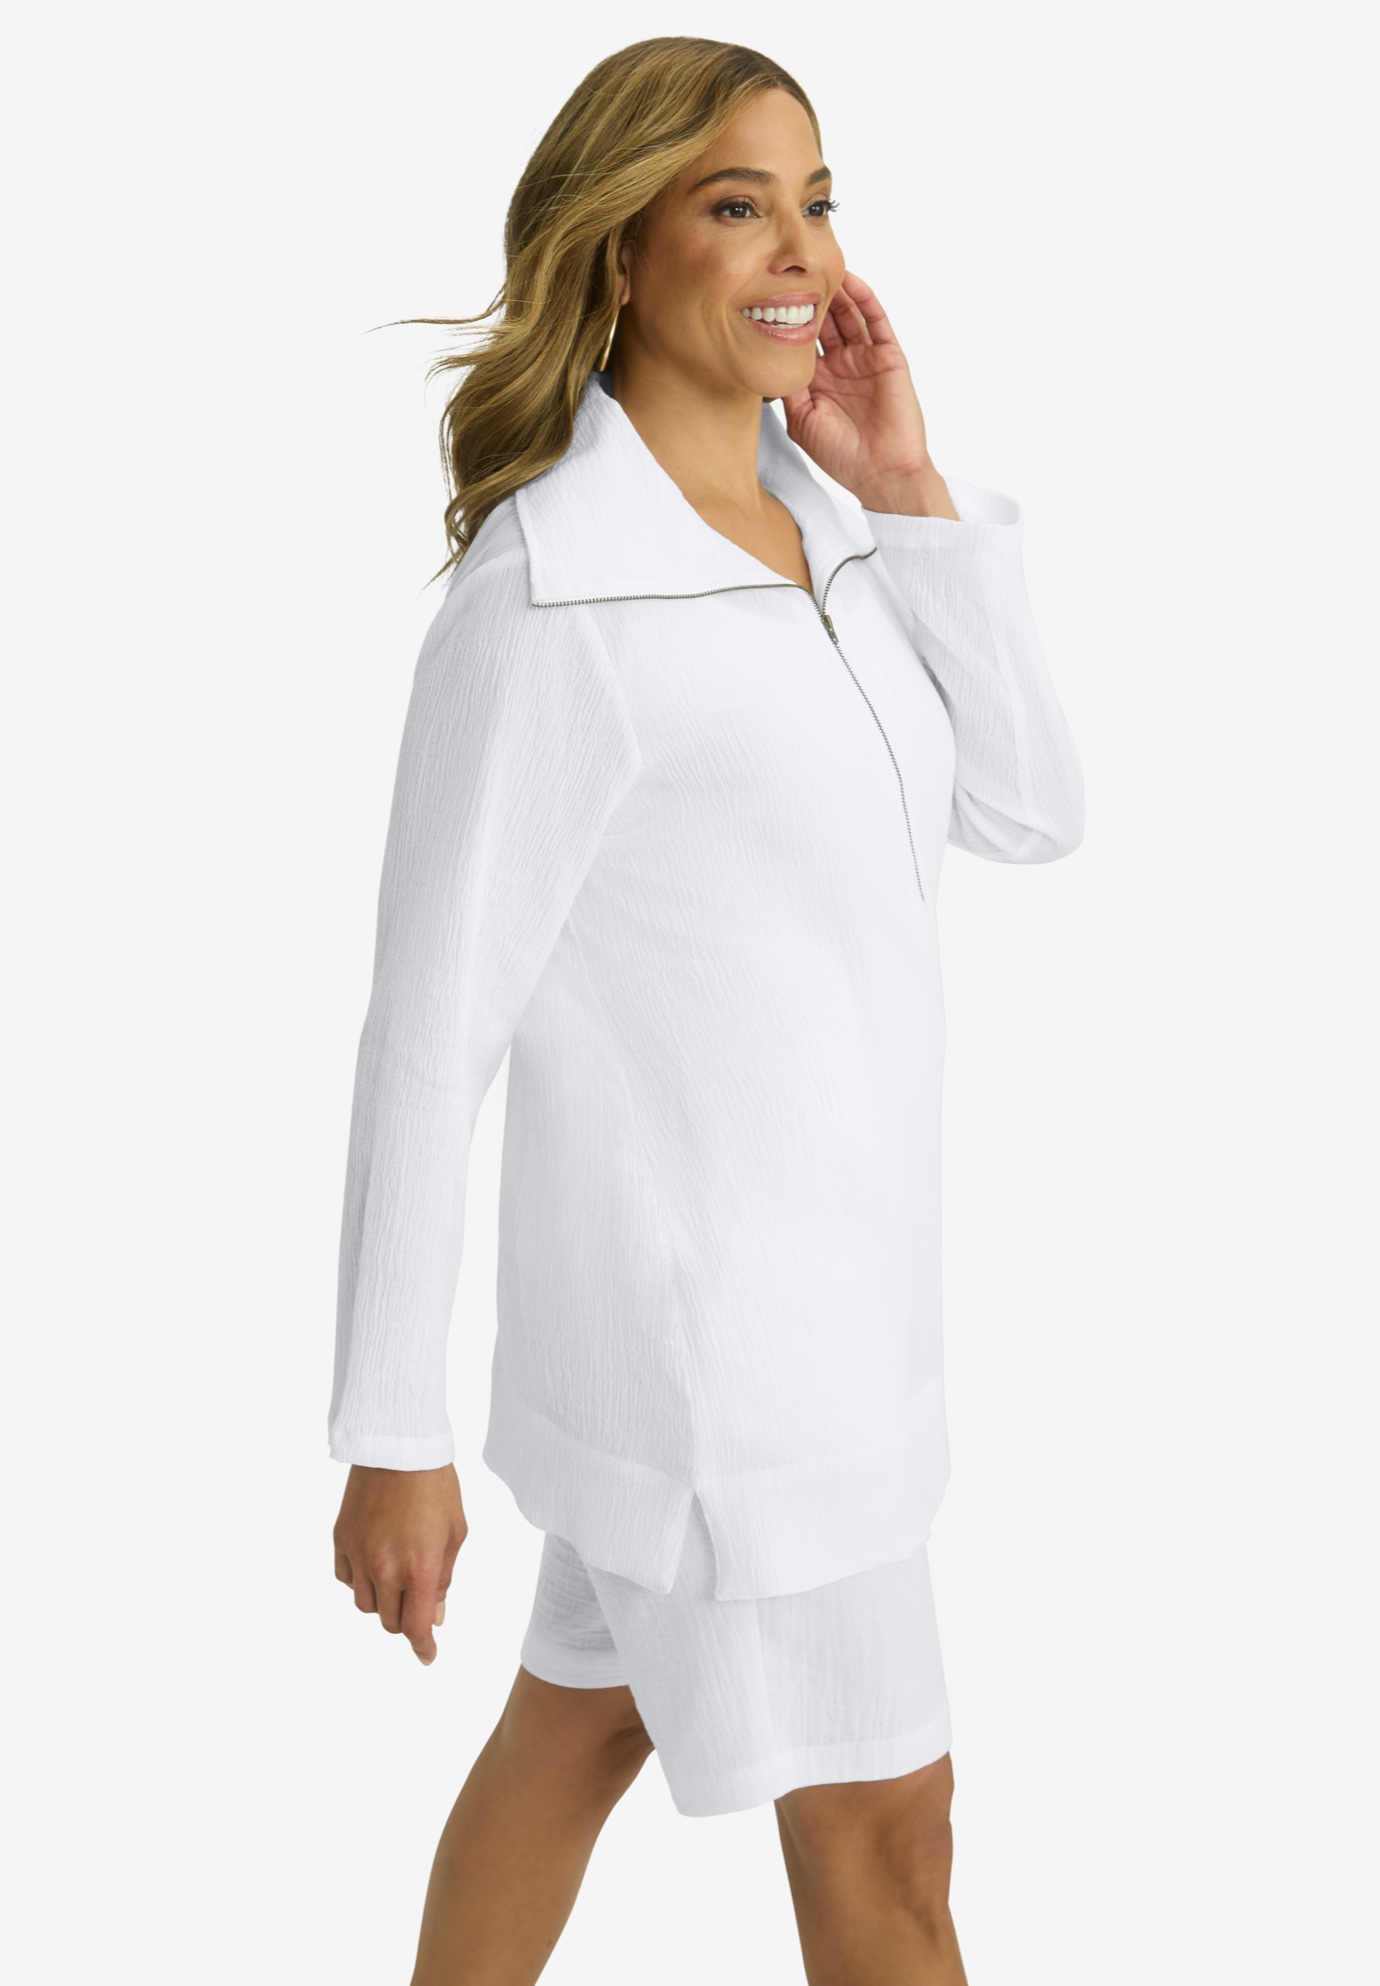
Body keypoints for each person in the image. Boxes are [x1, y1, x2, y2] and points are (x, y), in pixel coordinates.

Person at [329, 35, 1084, 1986]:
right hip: (733, 1385)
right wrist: (392, 1428)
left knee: (576, 1731)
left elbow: (1029, 807)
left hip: (839, 1330)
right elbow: (427, 1031)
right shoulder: (547, 602)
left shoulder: (833, 529)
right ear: (620, 251)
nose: (799, 250)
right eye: (737, 205)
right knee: (895, 1846)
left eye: (815, 201)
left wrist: (906, 483)